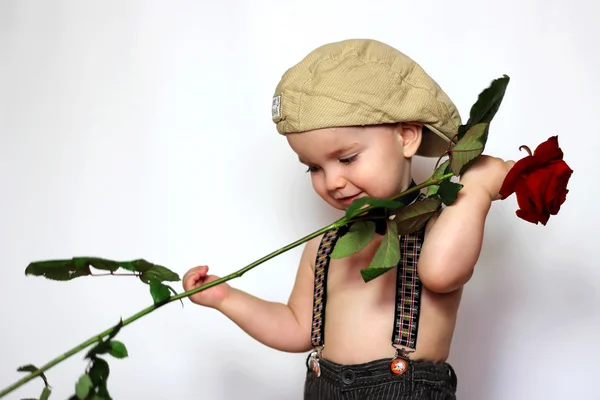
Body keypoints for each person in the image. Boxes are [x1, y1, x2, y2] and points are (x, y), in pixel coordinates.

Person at [183, 39, 514, 399]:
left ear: (406, 137)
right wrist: (226, 298)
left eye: (346, 158)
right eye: (313, 167)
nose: (332, 181)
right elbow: (299, 328)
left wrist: (477, 189)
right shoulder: (325, 244)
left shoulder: (438, 223)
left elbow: (441, 273)